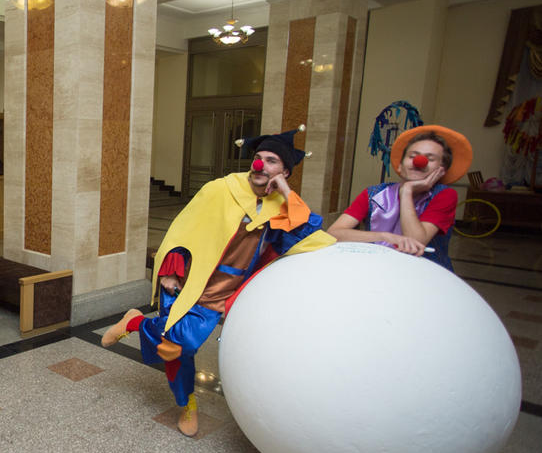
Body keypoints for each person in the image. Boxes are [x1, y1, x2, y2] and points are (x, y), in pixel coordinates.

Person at [100, 127, 335, 436]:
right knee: (177, 346)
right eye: (258, 157)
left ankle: (135, 323)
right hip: (188, 279)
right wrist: (171, 268)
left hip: (221, 291)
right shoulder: (220, 189)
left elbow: (313, 238)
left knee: (178, 344)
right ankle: (187, 403)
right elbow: (183, 227)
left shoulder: (280, 210)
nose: (260, 165)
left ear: (285, 171)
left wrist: (287, 193)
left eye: (271, 161)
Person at [329, 125, 471, 271]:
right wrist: (384, 237)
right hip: (377, 268)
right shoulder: (374, 194)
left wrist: (406, 191)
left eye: (430, 158)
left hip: (424, 273)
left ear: (442, 171)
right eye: (412, 156)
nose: (419, 161)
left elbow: (415, 241)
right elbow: (333, 234)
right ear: (400, 165)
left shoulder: (445, 195)